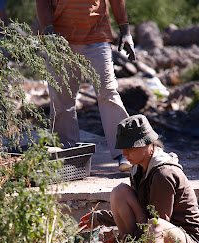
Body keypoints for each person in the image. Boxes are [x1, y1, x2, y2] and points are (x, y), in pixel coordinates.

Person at [79, 115, 199, 243]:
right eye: (122, 149)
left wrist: (121, 241)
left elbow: (158, 224)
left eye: (129, 149)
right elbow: (139, 212)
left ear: (147, 144)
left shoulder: (163, 174)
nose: (124, 155)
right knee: (120, 192)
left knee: (155, 225)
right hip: (156, 233)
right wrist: (99, 218)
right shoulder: (137, 168)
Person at [35, 0, 136, 172]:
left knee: (108, 92)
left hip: (97, 37)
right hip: (59, 39)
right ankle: (66, 153)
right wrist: (49, 32)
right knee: (62, 99)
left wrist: (125, 31)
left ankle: (125, 152)